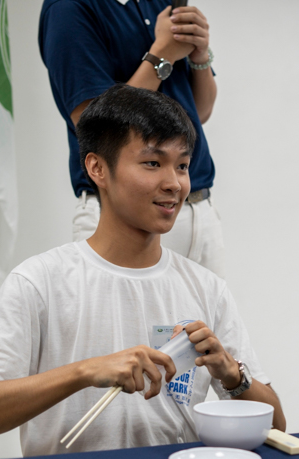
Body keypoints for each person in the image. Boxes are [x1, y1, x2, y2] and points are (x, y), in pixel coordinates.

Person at [0, 85, 285, 456]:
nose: (174, 183)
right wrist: (85, 372)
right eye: (153, 163)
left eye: (182, 165)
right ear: (97, 168)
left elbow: (277, 428)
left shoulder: (207, 288)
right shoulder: (40, 281)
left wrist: (233, 376)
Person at [38, 0, 226, 277]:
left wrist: (199, 56)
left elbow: (201, 111)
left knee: (207, 321)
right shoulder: (69, 7)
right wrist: (162, 55)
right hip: (125, 216)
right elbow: (96, 127)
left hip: (198, 208)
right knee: (117, 320)